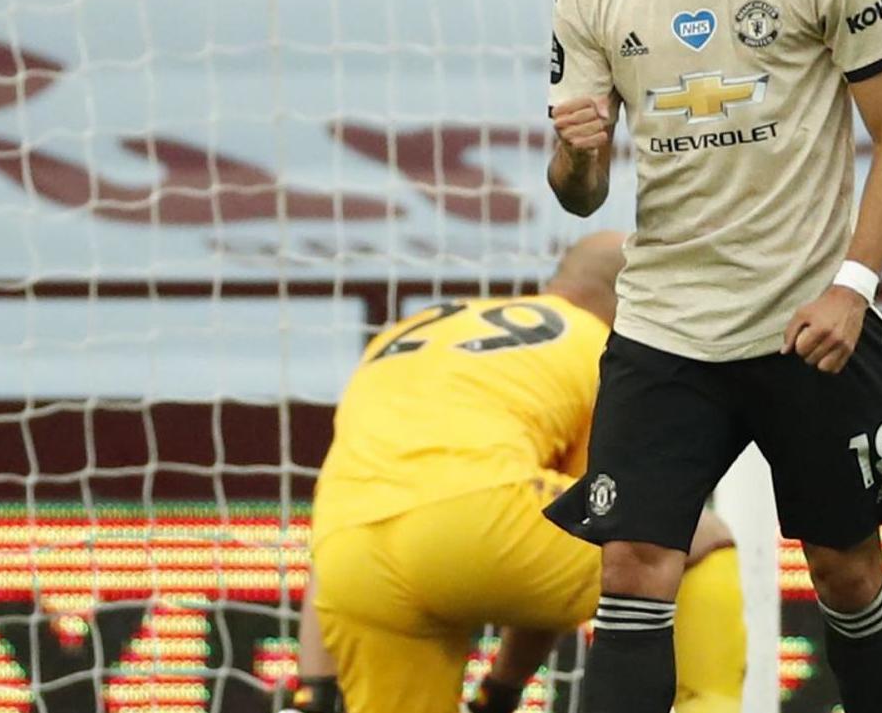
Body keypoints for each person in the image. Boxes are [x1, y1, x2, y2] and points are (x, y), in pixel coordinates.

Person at [547, 0, 882, 713]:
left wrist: (855, 286)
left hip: (810, 331)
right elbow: (578, 196)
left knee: (845, 575)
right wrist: (580, 149)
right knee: (629, 570)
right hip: (664, 330)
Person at [305, 232, 746, 713]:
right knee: (696, 536)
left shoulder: (414, 330)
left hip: (348, 557)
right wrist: (505, 687)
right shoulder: (608, 349)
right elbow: (595, 527)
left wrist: (310, 689)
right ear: (639, 294)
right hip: (476, 521)